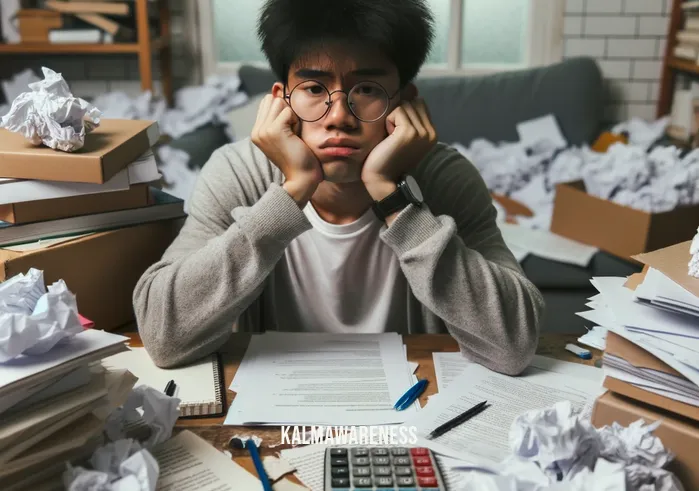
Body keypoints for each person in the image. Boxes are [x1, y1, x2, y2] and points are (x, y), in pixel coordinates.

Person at [133, 0, 545, 373]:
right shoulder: (239, 172)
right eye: (314, 88)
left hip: (412, 404)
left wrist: (393, 195)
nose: (339, 117)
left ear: (405, 102)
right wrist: (292, 191)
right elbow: (163, 338)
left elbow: (513, 346)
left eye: (366, 89)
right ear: (281, 101)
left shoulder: (443, 176)